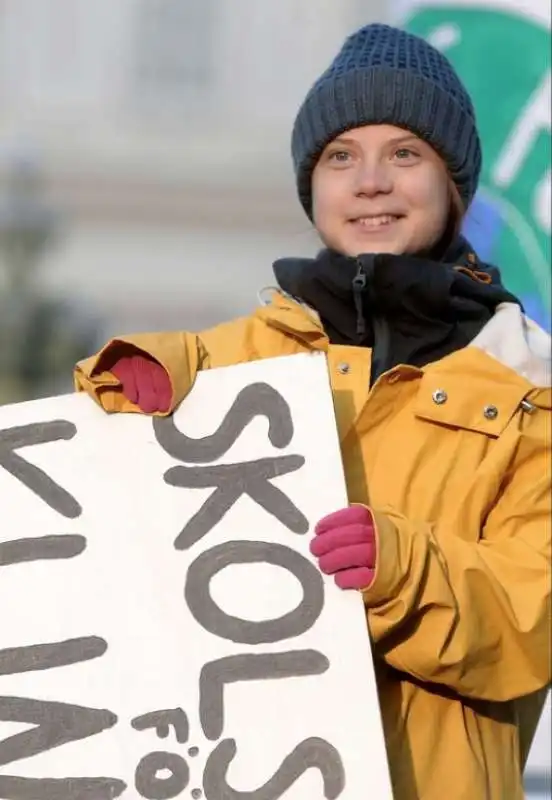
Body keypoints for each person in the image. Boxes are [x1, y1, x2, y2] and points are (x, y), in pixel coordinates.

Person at [73, 23, 551, 800]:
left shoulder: (531, 389)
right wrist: (131, 378)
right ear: (312, 186)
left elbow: (532, 627)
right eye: (341, 156)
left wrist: (400, 570)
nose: (371, 181)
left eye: (405, 153)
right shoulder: (242, 356)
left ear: (453, 183)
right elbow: (104, 459)